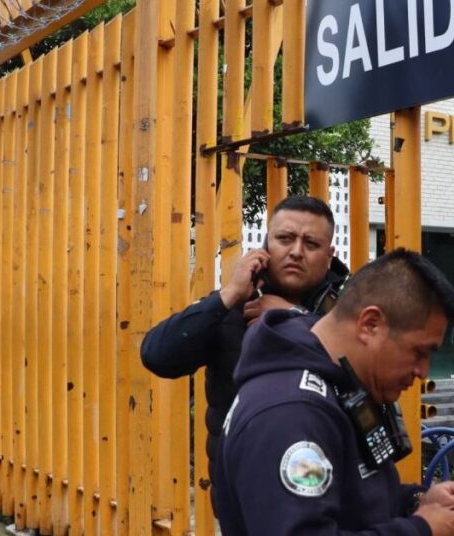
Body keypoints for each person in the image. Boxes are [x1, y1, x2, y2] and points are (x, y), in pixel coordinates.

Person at [214, 249, 454, 536]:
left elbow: (358, 501)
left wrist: (417, 503)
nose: (423, 371)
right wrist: (423, 529)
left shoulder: (340, 389)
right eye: (418, 351)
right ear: (370, 324)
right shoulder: (290, 414)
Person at [140, 196, 349, 504]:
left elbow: (364, 390)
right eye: (285, 238)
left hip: (323, 494)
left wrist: (295, 320)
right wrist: (229, 295)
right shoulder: (231, 308)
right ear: (266, 245)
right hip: (241, 497)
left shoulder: (349, 313)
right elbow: (157, 356)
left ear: (329, 255)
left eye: (311, 243)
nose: (295, 251)